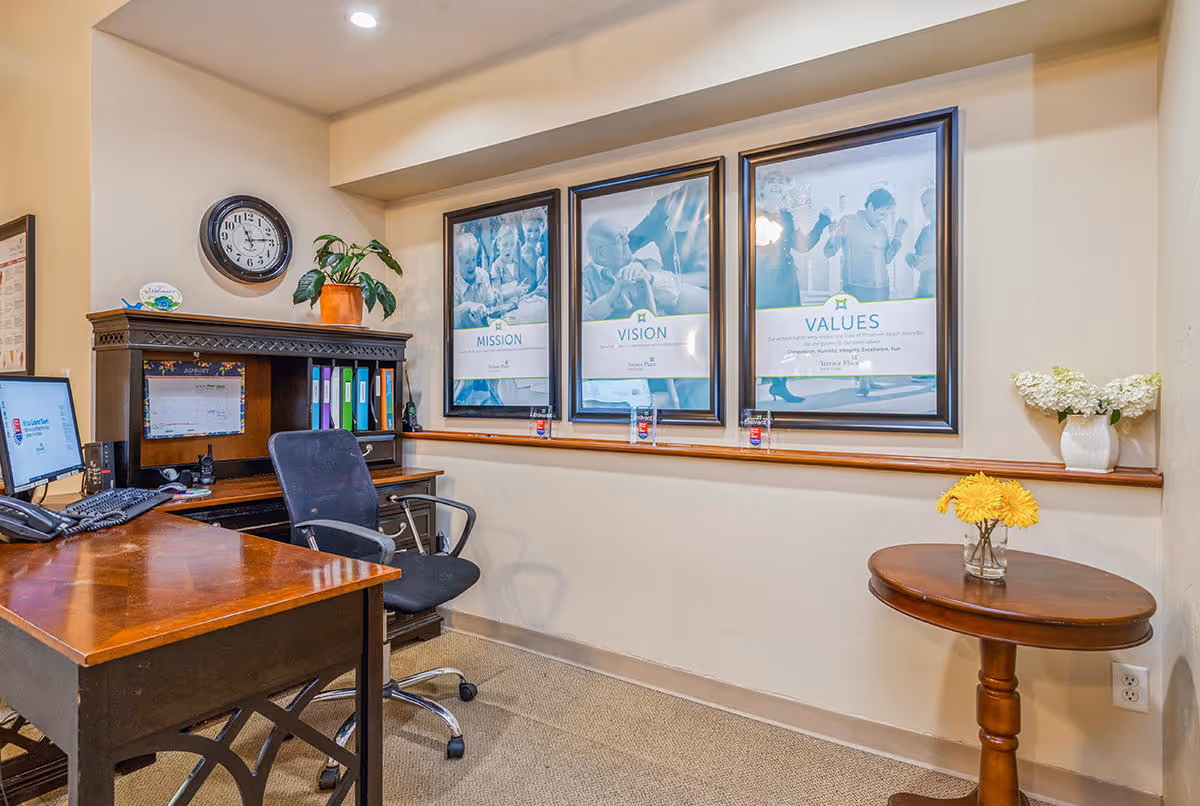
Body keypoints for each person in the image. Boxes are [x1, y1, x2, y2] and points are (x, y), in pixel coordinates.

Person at [754, 173, 833, 404]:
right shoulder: (751, 215)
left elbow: (803, 246)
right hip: (761, 282)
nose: (777, 187)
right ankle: (748, 388)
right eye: (772, 184)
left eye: (780, 184)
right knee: (759, 333)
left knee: (784, 335)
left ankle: (780, 386)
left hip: (786, 282)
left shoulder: (787, 217)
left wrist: (822, 222)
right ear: (763, 189)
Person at [824, 188, 908, 397]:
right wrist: (833, 235)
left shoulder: (881, 229)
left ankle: (867, 378)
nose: (884, 218)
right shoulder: (847, 221)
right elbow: (828, 251)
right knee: (860, 338)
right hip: (857, 288)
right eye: (881, 214)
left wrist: (897, 236)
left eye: (887, 215)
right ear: (870, 206)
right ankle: (862, 380)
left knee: (875, 338)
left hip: (881, 289)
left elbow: (886, 258)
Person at [906, 187, 936, 298]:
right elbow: (918, 256)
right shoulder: (926, 231)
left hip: (943, 293)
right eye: (923, 205)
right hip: (923, 291)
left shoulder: (954, 230)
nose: (926, 209)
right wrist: (910, 258)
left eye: (927, 204)